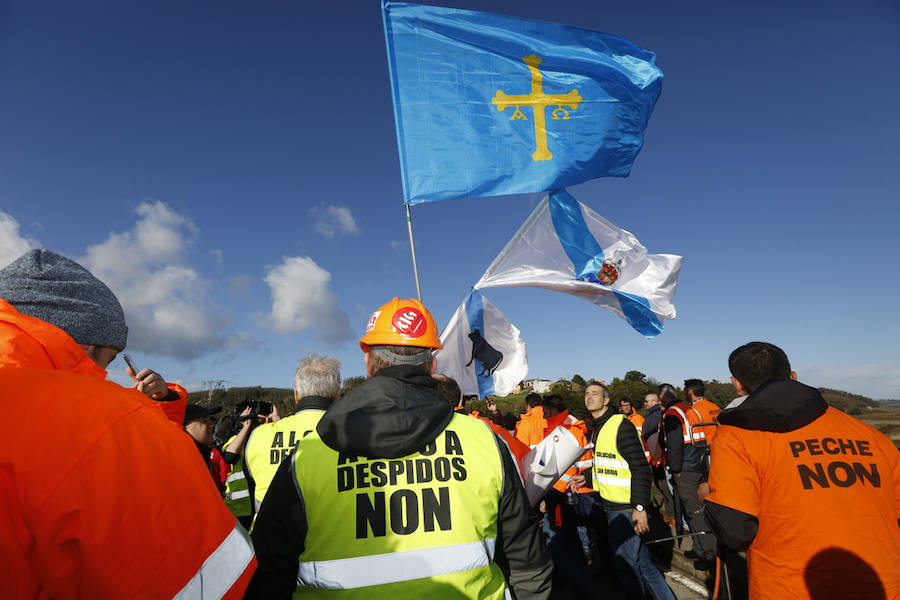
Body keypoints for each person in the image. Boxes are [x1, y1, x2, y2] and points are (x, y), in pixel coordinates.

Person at [246, 297, 552, 599]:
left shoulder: (308, 455)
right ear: (432, 363)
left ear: (368, 362)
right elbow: (526, 560)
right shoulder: (483, 440)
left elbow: (268, 570)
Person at [0, 249, 255, 599]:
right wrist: (136, 413)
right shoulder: (100, 418)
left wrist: (160, 404)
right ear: (84, 342)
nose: (103, 375)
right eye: (106, 359)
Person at [705, 342, 900, 599]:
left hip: (789, 589)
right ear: (793, 376)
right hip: (881, 584)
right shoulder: (871, 436)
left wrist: (708, 499)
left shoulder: (736, 437)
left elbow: (735, 530)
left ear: (736, 384)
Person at [571, 381, 674, 600]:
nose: (589, 397)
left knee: (627, 568)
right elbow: (609, 465)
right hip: (615, 507)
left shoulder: (620, 425)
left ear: (606, 400)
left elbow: (640, 468)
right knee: (642, 565)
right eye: (587, 394)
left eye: (595, 394)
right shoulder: (599, 427)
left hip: (626, 510)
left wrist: (639, 508)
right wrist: (586, 477)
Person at [244, 353, 341, 517]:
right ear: (338, 394)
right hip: (329, 536)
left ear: (296, 395)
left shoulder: (258, 436)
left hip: (267, 538)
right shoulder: (350, 433)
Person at [657, 383, 717, 570]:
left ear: (664, 397)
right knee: (697, 510)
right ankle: (700, 549)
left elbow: (674, 443)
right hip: (698, 464)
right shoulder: (687, 409)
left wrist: (675, 469)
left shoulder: (673, 413)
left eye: (660, 397)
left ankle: (709, 554)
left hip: (686, 469)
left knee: (694, 511)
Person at [640, 393, 674, 520]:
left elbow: (650, 436)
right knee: (663, 486)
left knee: (664, 486)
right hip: (657, 457)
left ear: (655, 402)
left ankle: (671, 514)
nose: (644, 403)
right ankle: (671, 513)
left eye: (646, 401)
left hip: (658, 458)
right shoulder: (653, 415)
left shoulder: (654, 416)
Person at [684, 379, 720, 445]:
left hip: (706, 448)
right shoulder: (715, 406)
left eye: (685, 391)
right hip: (720, 445)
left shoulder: (692, 411)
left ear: (690, 392)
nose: (684, 393)